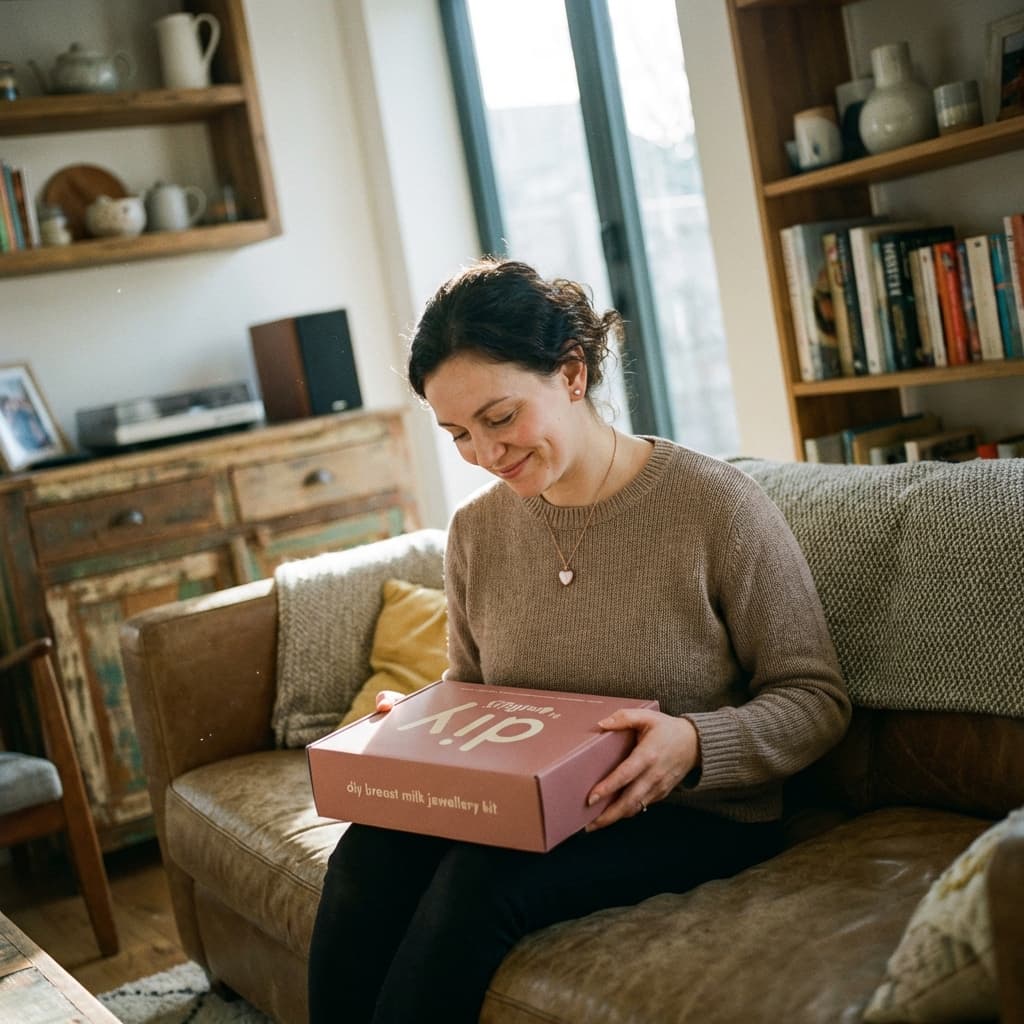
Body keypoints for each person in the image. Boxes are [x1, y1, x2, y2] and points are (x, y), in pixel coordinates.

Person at [307, 258, 851, 1024]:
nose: (485, 454)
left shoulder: (714, 507)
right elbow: (476, 691)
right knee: (371, 849)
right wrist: (424, 728)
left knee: (480, 880)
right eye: (458, 433)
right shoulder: (475, 531)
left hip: (692, 815)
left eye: (499, 419)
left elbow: (817, 699)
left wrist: (693, 743)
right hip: (528, 807)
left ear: (570, 372)